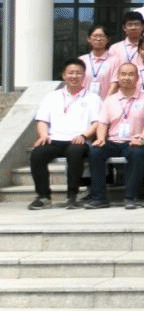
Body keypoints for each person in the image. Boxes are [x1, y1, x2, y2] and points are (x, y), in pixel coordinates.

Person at [28, 59, 102, 210]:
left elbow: (97, 123)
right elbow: (42, 120)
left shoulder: (93, 98)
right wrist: (43, 135)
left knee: (75, 153)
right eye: (70, 73)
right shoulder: (51, 97)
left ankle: (72, 196)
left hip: (78, 140)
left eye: (78, 73)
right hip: (54, 139)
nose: (74, 76)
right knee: (37, 154)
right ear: (63, 75)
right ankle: (43, 197)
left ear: (84, 76)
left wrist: (84, 136)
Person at [85, 63, 144, 209]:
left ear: (137, 78)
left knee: (137, 153)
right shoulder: (110, 100)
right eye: (123, 74)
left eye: (130, 74)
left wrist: (142, 138)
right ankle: (99, 198)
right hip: (113, 141)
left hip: (133, 141)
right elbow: (102, 123)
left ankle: (130, 198)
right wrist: (101, 138)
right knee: (95, 152)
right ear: (118, 77)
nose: (126, 78)